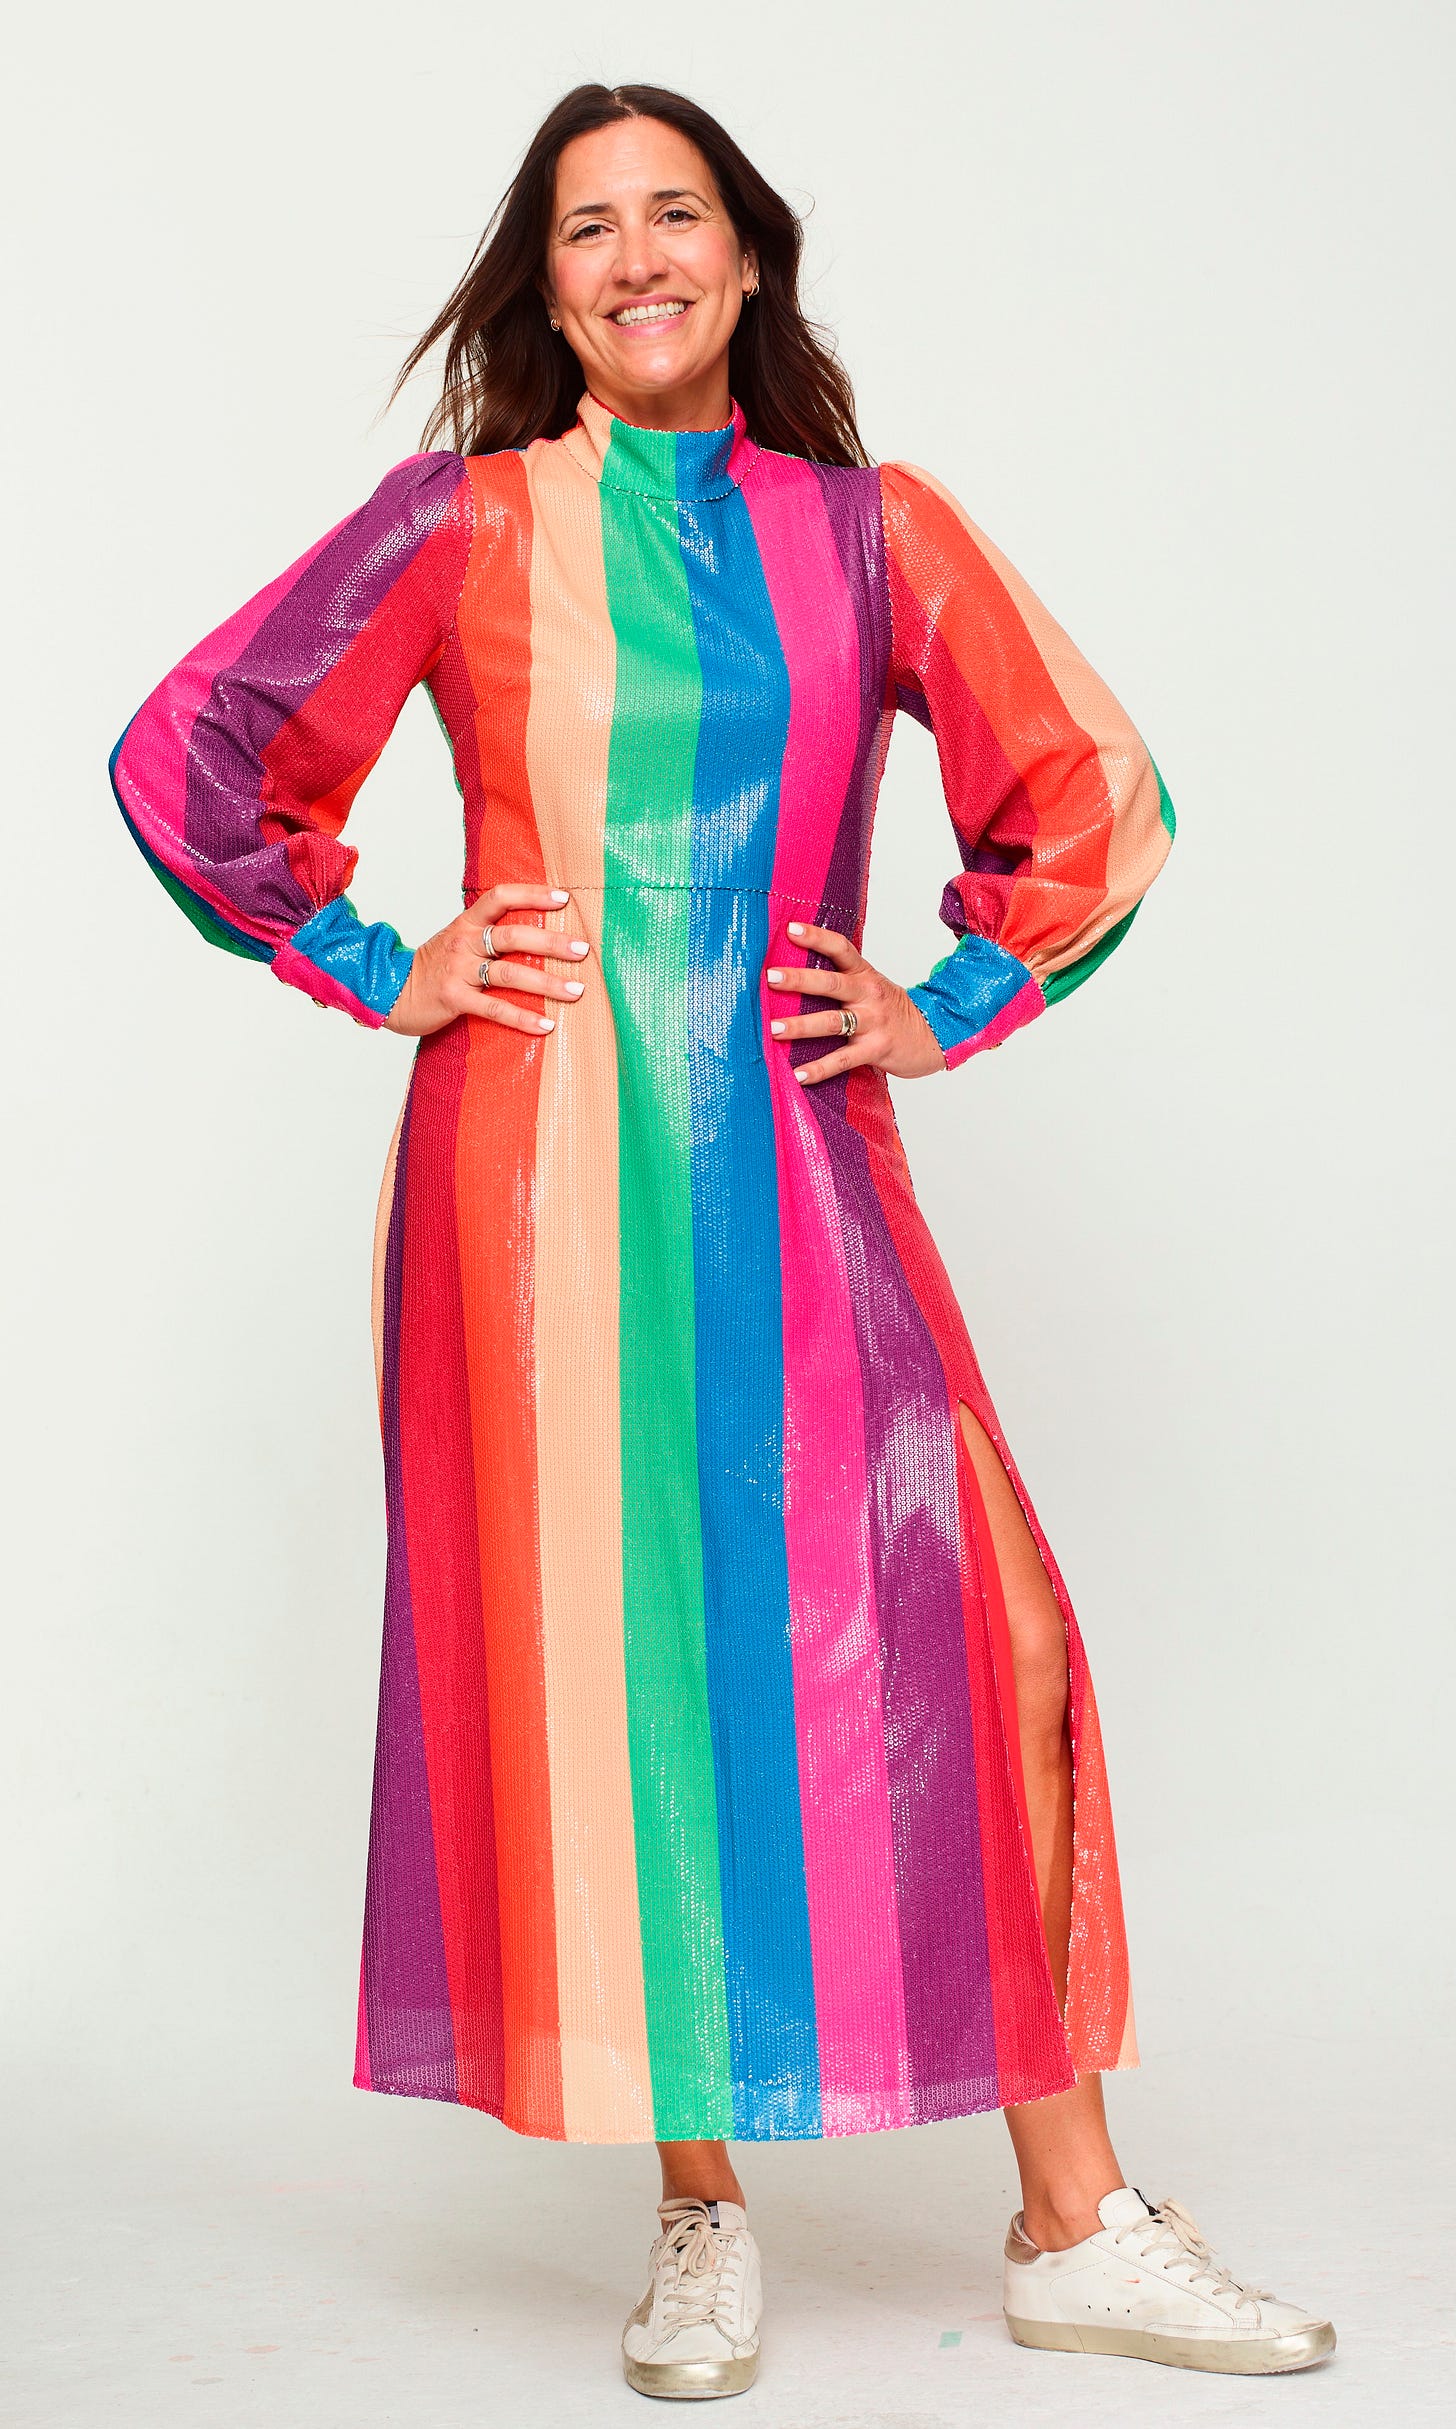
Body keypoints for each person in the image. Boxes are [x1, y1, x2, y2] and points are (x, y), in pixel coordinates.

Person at [109, 79, 1335, 2399]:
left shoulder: (870, 534)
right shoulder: (460, 526)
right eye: (587, 227)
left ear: (747, 258)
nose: (634, 254)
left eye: (675, 213)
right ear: (544, 281)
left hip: (792, 1159)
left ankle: (1073, 2217)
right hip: (532, 1190)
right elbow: (194, 754)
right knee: (624, 1669)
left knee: (974, 1640)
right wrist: (380, 959)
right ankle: (697, 2218)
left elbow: (1092, 790)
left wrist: (949, 992)